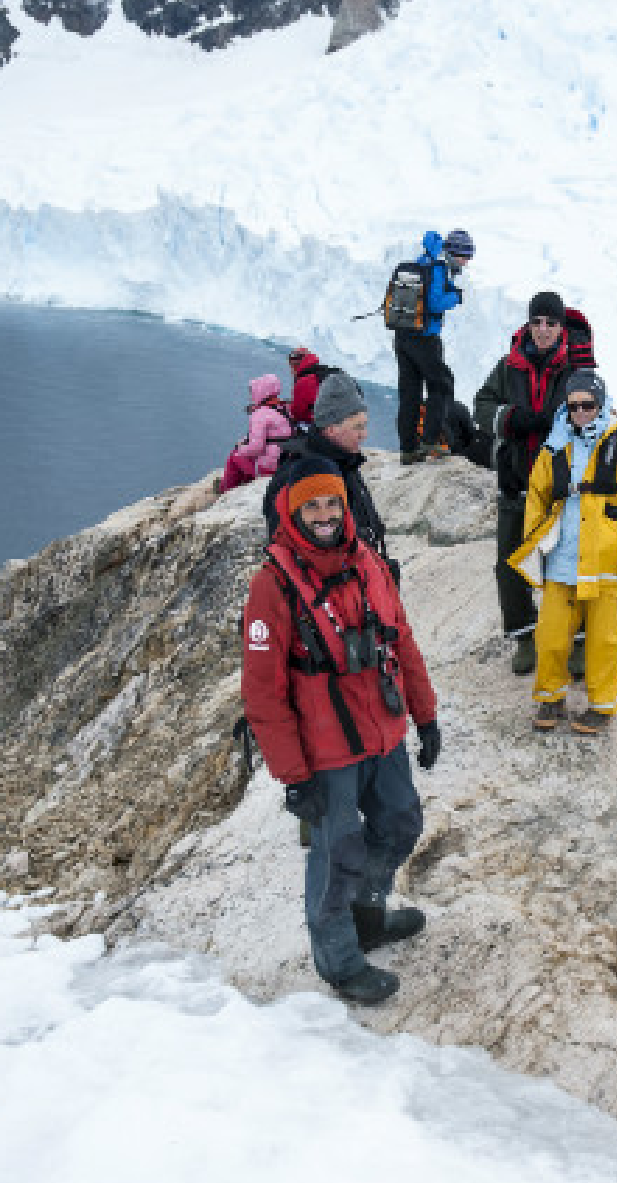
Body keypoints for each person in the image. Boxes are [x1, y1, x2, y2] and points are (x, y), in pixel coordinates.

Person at [240, 456, 442, 1005]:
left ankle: (367, 914)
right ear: (293, 512)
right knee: (337, 850)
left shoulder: (368, 562)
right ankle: (339, 958)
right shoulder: (273, 585)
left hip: (382, 728)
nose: (325, 515)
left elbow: (402, 641)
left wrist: (425, 715)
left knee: (400, 824)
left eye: (332, 503)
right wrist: (292, 774)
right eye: (313, 506)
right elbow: (262, 693)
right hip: (325, 749)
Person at [509, 369, 617, 735]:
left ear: (601, 405)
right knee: (551, 634)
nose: (580, 413)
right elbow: (538, 498)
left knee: (605, 640)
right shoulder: (554, 447)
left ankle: (602, 707)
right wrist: (535, 545)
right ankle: (550, 698)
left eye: (588, 405)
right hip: (561, 560)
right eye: (573, 406)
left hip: (608, 563)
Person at [473, 290, 596, 673]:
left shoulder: (578, 369)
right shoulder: (509, 366)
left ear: (561, 327)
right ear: (528, 323)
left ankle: (577, 640)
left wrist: (560, 425)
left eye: (551, 323)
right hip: (516, 478)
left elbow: (596, 414)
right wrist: (512, 418)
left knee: (569, 560)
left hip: (563, 486)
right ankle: (525, 637)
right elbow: (481, 406)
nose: (543, 330)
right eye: (537, 321)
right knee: (511, 562)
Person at [263, 371, 391, 569]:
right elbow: (286, 552)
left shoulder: (345, 463)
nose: (364, 435)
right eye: (357, 427)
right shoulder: (301, 475)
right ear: (331, 429)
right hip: (333, 593)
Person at [395, 228, 472, 464]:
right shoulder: (437, 267)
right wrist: (456, 296)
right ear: (453, 252)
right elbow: (435, 302)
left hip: (403, 335)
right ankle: (430, 440)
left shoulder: (421, 262)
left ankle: (408, 449)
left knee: (410, 393)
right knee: (441, 384)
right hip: (425, 338)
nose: (466, 262)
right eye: (464, 256)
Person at [220, 372, 294, 492]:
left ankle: (226, 491)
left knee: (235, 456)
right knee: (245, 454)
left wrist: (240, 448)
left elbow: (256, 447)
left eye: (252, 392)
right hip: (286, 462)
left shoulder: (259, 414)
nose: (251, 396)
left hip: (270, 468)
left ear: (261, 392)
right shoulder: (285, 408)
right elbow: (276, 435)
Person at [286, 347, 337, 427]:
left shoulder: (304, 381)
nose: (291, 371)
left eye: (292, 366)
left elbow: (296, 413)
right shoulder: (323, 372)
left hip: (328, 426)